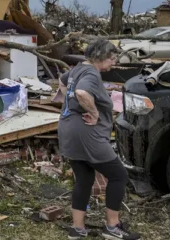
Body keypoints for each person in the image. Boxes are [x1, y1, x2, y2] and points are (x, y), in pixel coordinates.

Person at [59, 39, 141, 240]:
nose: (113, 63)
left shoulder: (78, 68)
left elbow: (63, 82)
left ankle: (77, 229)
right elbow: (81, 92)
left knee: (85, 178)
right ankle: (112, 228)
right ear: (101, 57)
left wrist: (72, 108)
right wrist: (93, 112)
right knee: (118, 175)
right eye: (112, 59)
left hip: (68, 130)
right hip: (87, 134)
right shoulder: (91, 73)